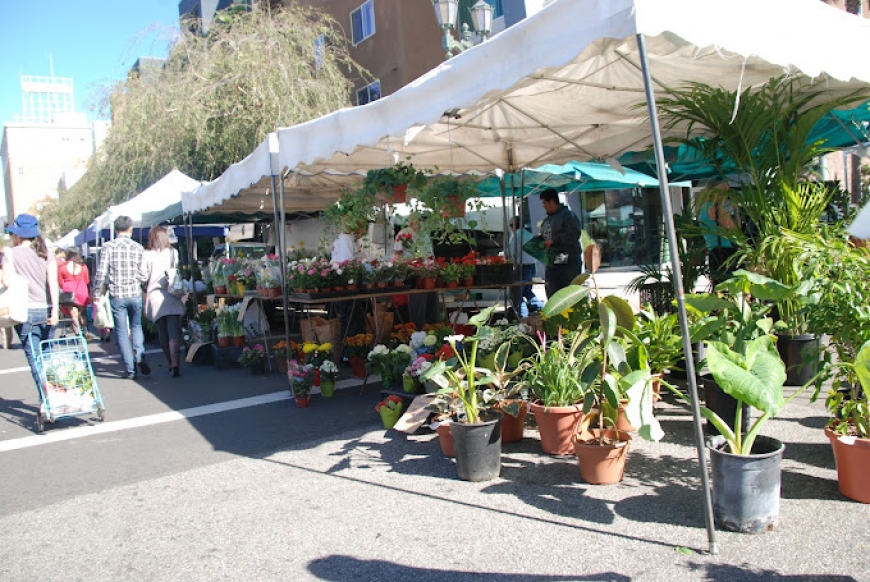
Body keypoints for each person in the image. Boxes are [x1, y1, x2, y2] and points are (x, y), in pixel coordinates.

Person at [0, 214, 59, 397]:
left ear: (17, 234)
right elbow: (53, 283)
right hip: (47, 309)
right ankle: (55, 395)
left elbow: (7, 281)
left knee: (34, 358)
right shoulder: (47, 254)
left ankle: (46, 399)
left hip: (25, 311)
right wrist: (56, 309)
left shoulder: (10, 253)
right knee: (46, 356)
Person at [93, 215, 149, 379]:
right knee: (137, 326)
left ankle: (130, 369)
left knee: (122, 332)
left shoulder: (108, 247)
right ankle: (139, 353)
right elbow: (143, 273)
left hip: (117, 294)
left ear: (116, 230)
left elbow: (101, 272)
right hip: (135, 292)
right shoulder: (138, 247)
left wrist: (97, 293)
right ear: (130, 228)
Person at [139, 226, 185, 378]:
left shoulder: (146, 255)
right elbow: (176, 270)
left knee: (162, 333)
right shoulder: (173, 252)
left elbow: (143, 277)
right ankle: (176, 364)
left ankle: (170, 362)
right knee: (174, 332)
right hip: (172, 293)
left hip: (155, 297)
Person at [393, 212, 439, 329]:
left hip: (427, 275)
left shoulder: (424, 235)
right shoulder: (404, 234)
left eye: (421, 220)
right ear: (411, 220)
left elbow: (430, 255)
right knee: (417, 307)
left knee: (431, 306)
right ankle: (418, 330)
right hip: (412, 276)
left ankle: (432, 329)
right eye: (418, 219)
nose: (420, 222)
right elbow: (397, 256)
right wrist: (411, 262)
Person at [539, 188, 582, 299]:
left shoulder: (568, 215)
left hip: (568, 260)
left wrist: (554, 240)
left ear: (552, 201)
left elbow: (574, 234)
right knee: (552, 291)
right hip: (552, 261)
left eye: (544, 203)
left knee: (568, 292)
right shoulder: (547, 220)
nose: (543, 206)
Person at [698, 182, 741, 287]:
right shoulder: (716, 208)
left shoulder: (702, 208)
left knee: (719, 287)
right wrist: (736, 210)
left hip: (713, 251)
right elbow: (735, 230)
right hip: (725, 251)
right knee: (730, 288)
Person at [506, 216, 542, 316]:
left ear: (512, 226)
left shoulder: (515, 236)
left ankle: (523, 318)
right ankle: (541, 309)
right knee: (527, 291)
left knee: (517, 294)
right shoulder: (529, 235)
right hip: (532, 266)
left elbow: (510, 254)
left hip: (522, 267)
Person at [58, 247, 91, 338]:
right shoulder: (83, 267)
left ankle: (78, 334)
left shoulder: (62, 267)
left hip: (69, 291)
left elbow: (60, 282)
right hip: (82, 289)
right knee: (82, 312)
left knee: (74, 314)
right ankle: (85, 330)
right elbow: (87, 281)